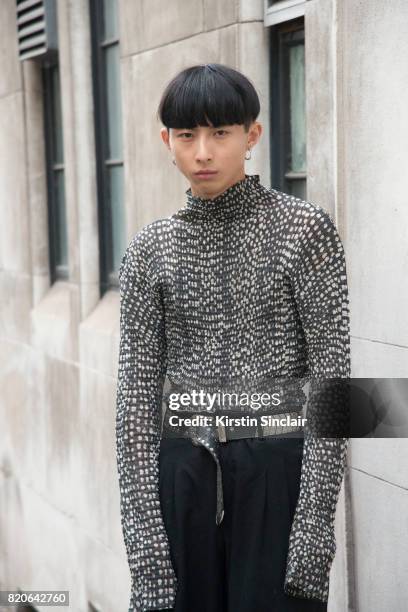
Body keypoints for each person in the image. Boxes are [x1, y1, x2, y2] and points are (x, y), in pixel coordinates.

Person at [115, 63, 351, 612]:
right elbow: (134, 401)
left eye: (220, 133)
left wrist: (313, 533)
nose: (203, 152)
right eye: (186, 135)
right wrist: (145, 544)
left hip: (277, 476)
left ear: (252, 136)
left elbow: (333, 385)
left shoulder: (304, 231)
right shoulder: (150, 249)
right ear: (166, 142)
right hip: (182, 477)